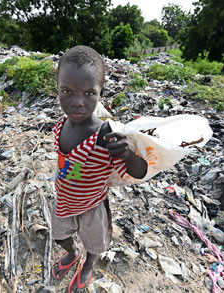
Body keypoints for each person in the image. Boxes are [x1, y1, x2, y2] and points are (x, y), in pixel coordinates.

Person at [51, 45, 148, 293]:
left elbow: (139, 172)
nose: (76, 102)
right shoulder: (61, 125)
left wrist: (126, 153)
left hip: (92, 204)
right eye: (66, 91)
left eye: (89, 93)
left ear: (100, 92)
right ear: (57, 88)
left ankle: (88, 265)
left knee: (95, 245)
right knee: (60, 235)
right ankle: (72, 252)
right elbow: (67, 161)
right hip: (64, 198)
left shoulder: (105, 136)